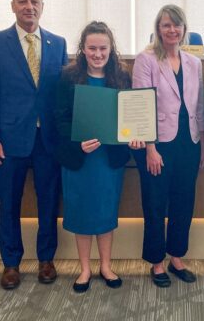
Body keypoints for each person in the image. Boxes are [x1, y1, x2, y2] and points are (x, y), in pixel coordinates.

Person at [0, 0, 68, 290]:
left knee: (48, 201)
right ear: (12, 5)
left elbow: (60, 93)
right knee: (9, 204)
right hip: (10, 139)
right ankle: (11, 263)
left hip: (48, 141)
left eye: (34, 1)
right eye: (22, 1)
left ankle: (46, 259)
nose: (29, 6)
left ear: (43, 7)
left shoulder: (58, 43)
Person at [54, 21, 144, 293]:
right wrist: (77, 143)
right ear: (82, 49)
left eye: (102, 48)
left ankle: (105, 265)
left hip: (108, 159)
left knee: (105, 211)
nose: (97, 54)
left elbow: (130, 116)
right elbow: (59, 119)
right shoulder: (68, 77)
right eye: (92, 48)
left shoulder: (122, 77)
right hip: (79, 159)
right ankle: (84, 269)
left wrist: (136, 135)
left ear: (110, 49)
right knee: (81, 212)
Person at [132, 4, 204, 288]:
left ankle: (176, 256)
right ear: (158, 29)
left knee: (183, 201)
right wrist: (149, 147)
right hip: (158, 144)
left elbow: (199, 105)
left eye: (177, 25)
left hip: (188, 142)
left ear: (184, 29)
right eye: (166, 25)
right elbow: (142, 103)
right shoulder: (146, 59)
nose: (172, 30)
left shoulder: (193, 62)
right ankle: (156, 262)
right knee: (154, 203)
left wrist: (200, 143)